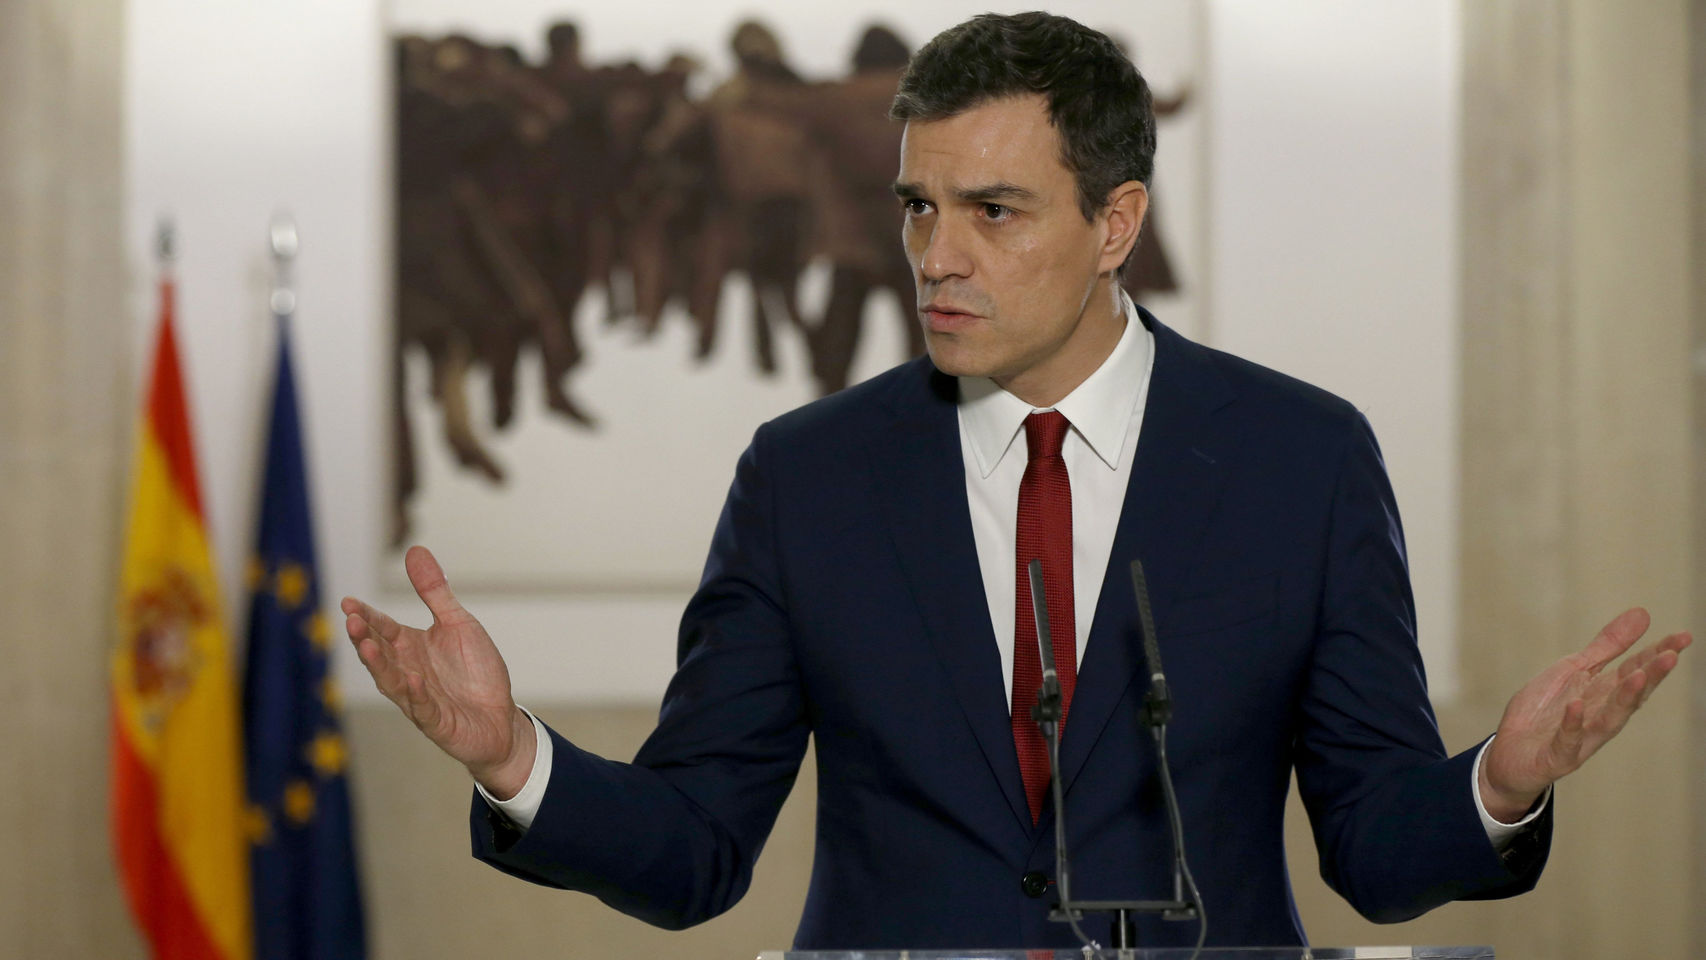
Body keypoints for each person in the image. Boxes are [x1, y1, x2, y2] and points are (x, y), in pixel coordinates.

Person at [342, 12, 1691, 950]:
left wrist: (1498, 784)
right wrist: (514, 758)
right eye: (918, 208)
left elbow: (1376, 852)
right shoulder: (808, 477)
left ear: (1114, 224)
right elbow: (694, 847)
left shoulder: (1301, 458)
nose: (937, 256)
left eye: (993, 211)